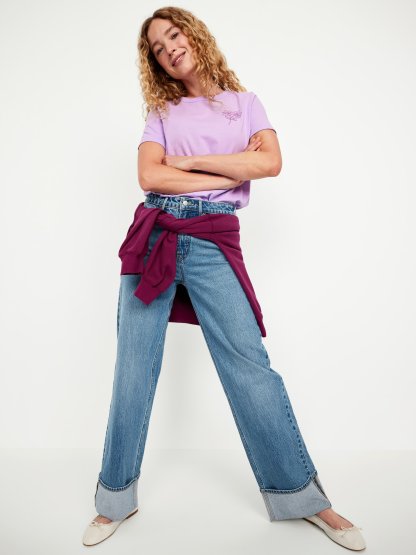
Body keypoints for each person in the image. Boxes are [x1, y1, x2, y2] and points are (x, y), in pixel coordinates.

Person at [82, 6, 366, 551]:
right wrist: (227, 165)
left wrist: (186, 164)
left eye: (173, 35)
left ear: (193, 35)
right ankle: (115, 498)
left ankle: (302, 498)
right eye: (158, 47)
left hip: (213, 240)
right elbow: (148, 175)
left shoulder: (246, 104)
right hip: (155, 235)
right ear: (155, 62)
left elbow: (270, 164)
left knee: (249, 367)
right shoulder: (161, 111)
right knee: (133, 370)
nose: (169, 48)